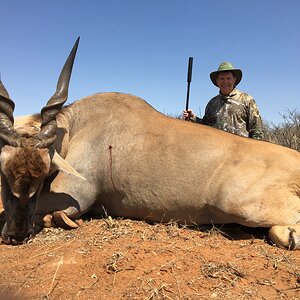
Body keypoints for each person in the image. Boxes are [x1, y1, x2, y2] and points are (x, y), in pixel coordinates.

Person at [183, 61, 264, 139]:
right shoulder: (212, 103)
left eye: (228, 78)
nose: (225, 82)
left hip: (240, 150)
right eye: (222, 79)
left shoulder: (247, 100)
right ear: (217, 81)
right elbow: (206, 126)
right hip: (216, 149)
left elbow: (257, 129)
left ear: (234, 79)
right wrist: (193, 118)